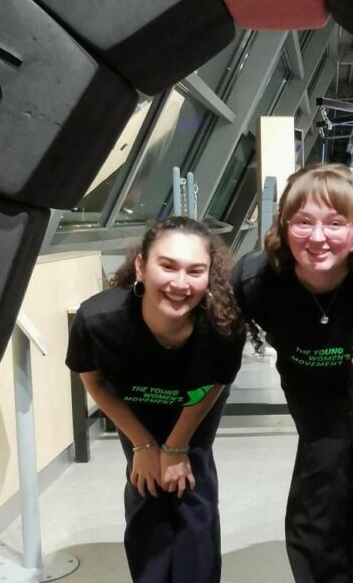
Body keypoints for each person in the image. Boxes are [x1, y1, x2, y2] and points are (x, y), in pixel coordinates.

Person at [232, 163, 353, 583]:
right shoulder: (257, 280)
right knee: (320, 486)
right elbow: (210, 337)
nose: (318, 237)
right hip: (311, 392)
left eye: (335, 222)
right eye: (303, 222)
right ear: (285, 226)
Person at [65, 216, 246, 583]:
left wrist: (177, 447)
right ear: (141, 267)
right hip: (135, 407)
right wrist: (143, 445)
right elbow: (95, 383)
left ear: (209, 276)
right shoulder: (98, 320)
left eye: (195, 271)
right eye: (167, 266)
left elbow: (213, 386)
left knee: (191, 484)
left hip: (194, 403)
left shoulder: (223, 327)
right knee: (145, 485)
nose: (180, 283)